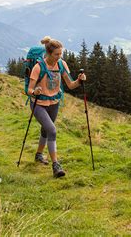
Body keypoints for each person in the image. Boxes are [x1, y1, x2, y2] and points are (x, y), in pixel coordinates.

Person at [27, 36, 86, 178]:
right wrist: (34, 91)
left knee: (46, 130)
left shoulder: (61, 64)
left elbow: (71, 85)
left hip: (54, 102)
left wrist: (79, 80)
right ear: (48, 53)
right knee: (52, 130)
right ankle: (56, 165)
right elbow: (29, 90)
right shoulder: (38, 67)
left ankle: (39, 155)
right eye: (56, 54)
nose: (59, 57)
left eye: (61, 54)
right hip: (38, 104)